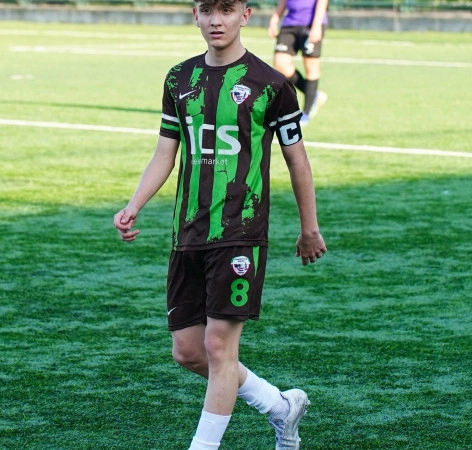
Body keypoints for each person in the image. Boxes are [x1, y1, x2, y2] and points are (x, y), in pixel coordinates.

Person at [112, 0, 327, 448]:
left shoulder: (272, 84)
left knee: (218, 348)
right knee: (189, 352)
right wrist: (134, 204)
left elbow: (297, 161)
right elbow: (165, 153)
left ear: (245, 15)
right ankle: (280, 407)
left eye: (227, 9)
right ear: (194, 14)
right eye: (207, 9)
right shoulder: (179, 78)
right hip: (188, 230)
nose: (216, 19)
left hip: (240, 231)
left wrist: (309, 227)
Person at [268, 0, 329, 125]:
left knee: (311, 66)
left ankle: (306, 112)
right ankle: (313, 95)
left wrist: (316, 25)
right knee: (280, 63)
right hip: (290, 23)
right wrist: (275, 19)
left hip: (310, 23)